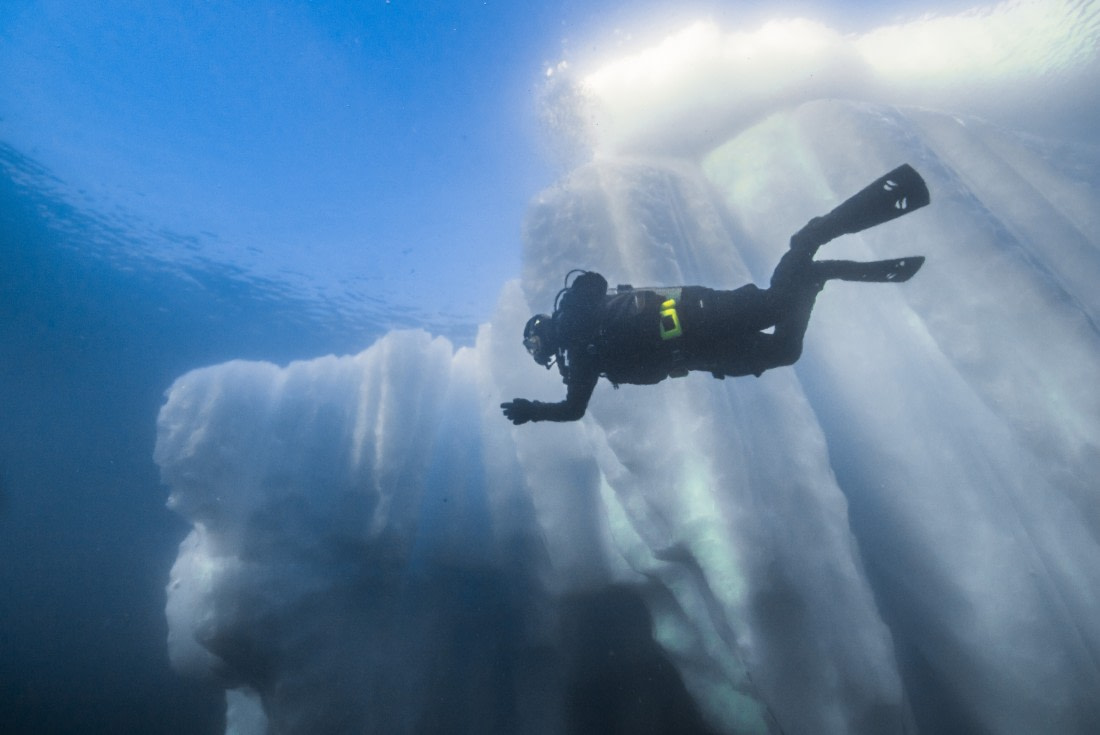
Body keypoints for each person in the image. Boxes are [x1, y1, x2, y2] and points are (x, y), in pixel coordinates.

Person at [501, 164, 929, 425]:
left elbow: (592, 285)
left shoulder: (578, 332)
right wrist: (535, 409)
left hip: (698, 315)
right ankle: (816, 275)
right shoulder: (582, 358)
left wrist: (532, 410)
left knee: (777, 305)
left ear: (544, 331)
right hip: (699, 352)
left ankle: (810, 240)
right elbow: (574, 408)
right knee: (784, 351)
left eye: (533, 343)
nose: (537, 351)